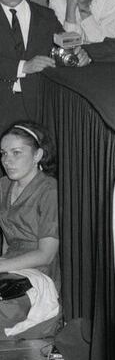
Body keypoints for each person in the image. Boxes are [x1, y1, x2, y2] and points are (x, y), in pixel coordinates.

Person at [0, 0, 90, 123]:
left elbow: (63, 49)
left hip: (40, 109)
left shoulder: (46, 16)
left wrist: (79, 56)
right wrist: (23, 67)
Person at [0, 122, 61, 338]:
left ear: (37, 156)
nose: (7, 160)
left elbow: (46, 255)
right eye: (3, 153)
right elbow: (9, 238)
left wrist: (3, 265)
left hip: (38, 275)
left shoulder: (49, 191)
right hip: (9, 268)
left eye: (17, 153)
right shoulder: (4, 185)